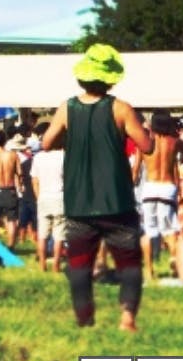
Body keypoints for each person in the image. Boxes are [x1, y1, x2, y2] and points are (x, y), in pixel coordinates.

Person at [41, 44, 152, 332]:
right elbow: (146, 146)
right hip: (117, 200)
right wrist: (145, 131)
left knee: (79, 265)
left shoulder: (67, 108)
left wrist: (69, 138)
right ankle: (127, 319)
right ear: (110, 78)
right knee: (129, 263)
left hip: (78, 201)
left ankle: (84, 319)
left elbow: (46, 143)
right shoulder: (121, 108)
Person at [133, 111, 183, 280]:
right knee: (170, 229)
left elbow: (135, 171)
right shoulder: (174, 142)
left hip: (150, 188)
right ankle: (174, 259)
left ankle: (149, 271)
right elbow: (177, 165)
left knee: (149, 230)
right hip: (167, 188)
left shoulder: (144, 143)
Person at [30, 129, 66, 273]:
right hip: (60, 198)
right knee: (59, 235)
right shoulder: (63, 156)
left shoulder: (38, 157)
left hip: (43, 198)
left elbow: (35, 181)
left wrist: (38, 197)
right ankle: (56, 265)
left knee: (42, 234)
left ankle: (42, 264)